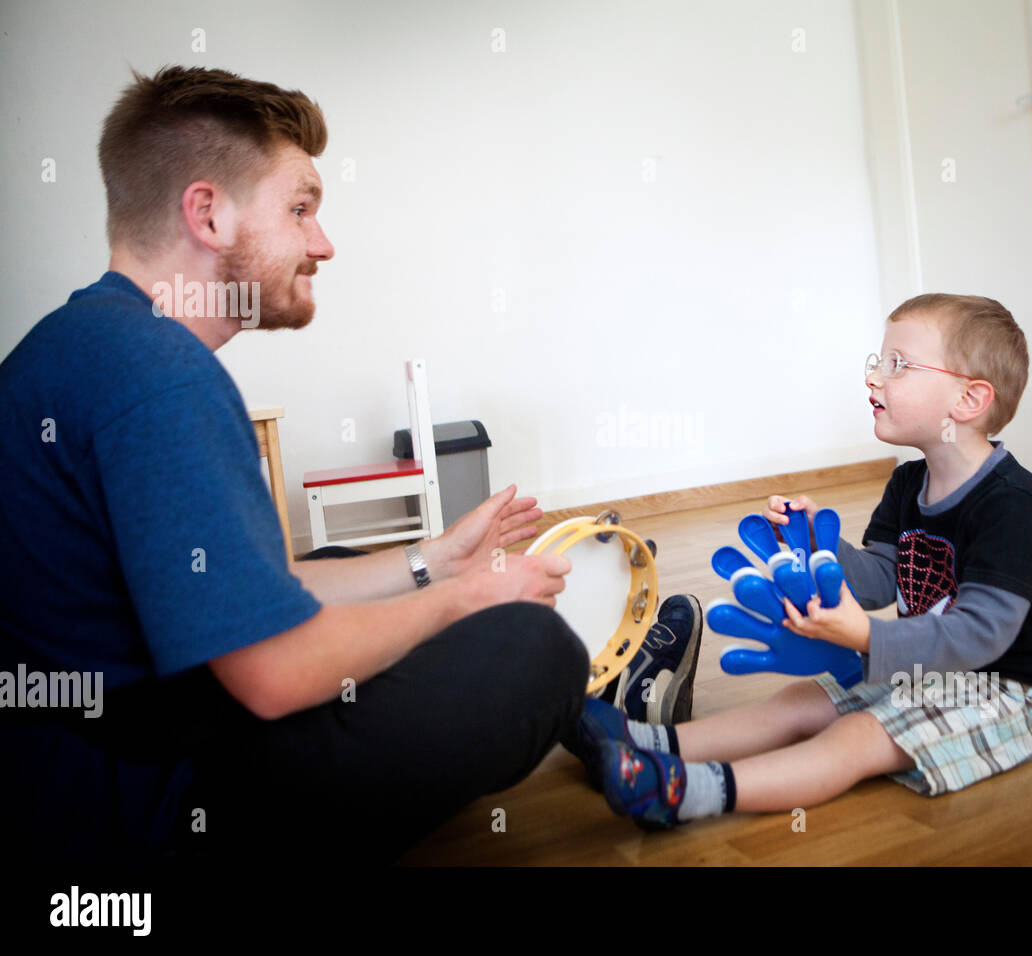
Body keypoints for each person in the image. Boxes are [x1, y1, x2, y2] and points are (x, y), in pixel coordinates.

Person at [0, 64, 595, 864]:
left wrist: (437, 561)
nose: (323, 243)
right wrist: (472, 599)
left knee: (345, 562)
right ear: (208, 214)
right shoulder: (162, 375)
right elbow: (272, 676)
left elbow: (243, 587)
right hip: (133, 806)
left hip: (74, 757)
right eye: (301, 209)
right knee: (535, 649)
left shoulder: (88, 338)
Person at [565, 294, 1032, 829]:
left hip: (1014, 691)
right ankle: (641, 740)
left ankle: (683, 791)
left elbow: (981, 635)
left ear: (969, 399)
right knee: (800, 700)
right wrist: (817, 542)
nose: (875, 379)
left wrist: (867, 638)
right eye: (878, 362)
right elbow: (883, 579)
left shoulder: (1012, 507)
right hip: (929, 668)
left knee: (857, 736)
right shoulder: (910, 482)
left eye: (898, 365)